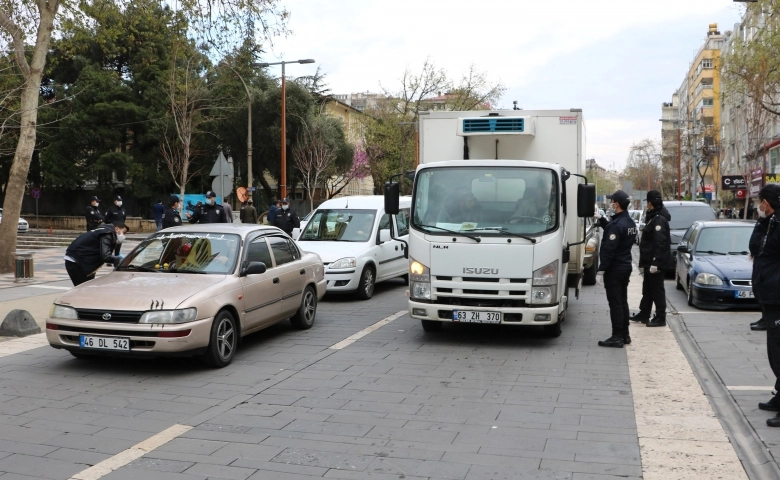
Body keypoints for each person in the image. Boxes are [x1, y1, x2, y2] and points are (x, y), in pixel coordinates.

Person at [750, 185, 780, 426]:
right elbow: (755, 247)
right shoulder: (769, 223)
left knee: (779, 352)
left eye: (760, 201)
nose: (758, 205)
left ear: (768, 202)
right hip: (769, 295)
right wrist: (762, 222)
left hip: (778, 295)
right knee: (774, 350)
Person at [595, 190, 638, 348]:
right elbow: (616, 232)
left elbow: (609, 250)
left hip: (615, 269)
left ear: (617, 204)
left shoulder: (616, 225)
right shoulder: (630, 223)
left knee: (615, 304)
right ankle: (625, 335)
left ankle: (617, 336)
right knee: (623, 301)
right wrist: (602, 220)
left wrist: (601, 270)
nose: (610, 204)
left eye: (612, 201)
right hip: (625, 266)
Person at [631, 190, 672, 327]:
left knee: (657, 290)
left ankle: (661, 317)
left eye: (647, 203)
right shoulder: (653, 217)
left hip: (656, 262)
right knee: (647, 289)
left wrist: (656, 262)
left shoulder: (658, 219)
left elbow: (660, 242)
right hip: (650, 261)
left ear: (650, 203)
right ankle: (644, 314)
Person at [64, 221, 127, 286]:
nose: (124, 236)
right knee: (84, 290)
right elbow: (105, 256)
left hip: (78, 261)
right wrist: (120, 260)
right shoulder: (108, 234)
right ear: (117, 229)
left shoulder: (104, 231)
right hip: (77, 262)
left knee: (87, 289)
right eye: (124, 232)